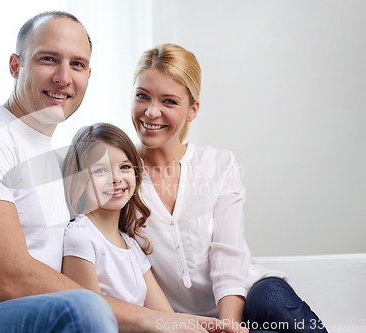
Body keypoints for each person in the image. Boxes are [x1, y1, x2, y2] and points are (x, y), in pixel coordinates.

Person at [0, 11, 236, 333]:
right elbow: (9, 280)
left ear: (88, 75)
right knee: (88, 308)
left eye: (77, 64)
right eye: (48, 59)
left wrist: (172, 318)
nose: (64, 77)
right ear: (15, 65)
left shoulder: (56, 161)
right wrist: (156, 320)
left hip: (44, 316)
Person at [130, 43, 328, 333]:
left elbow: (228, 253)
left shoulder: (219, 164)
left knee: (277, 303)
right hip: (182, 318)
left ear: (192, 110)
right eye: (142, 96)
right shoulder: (119, 175)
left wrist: (228, 328)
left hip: (244, 297)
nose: (151, 112)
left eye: (169, 102)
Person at [61, 123, 173, 312]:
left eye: (124, 167)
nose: (116, 178)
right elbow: (92, 318)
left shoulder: (131, 244)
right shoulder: (80, 238)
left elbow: (167, 317)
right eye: (100, 170)